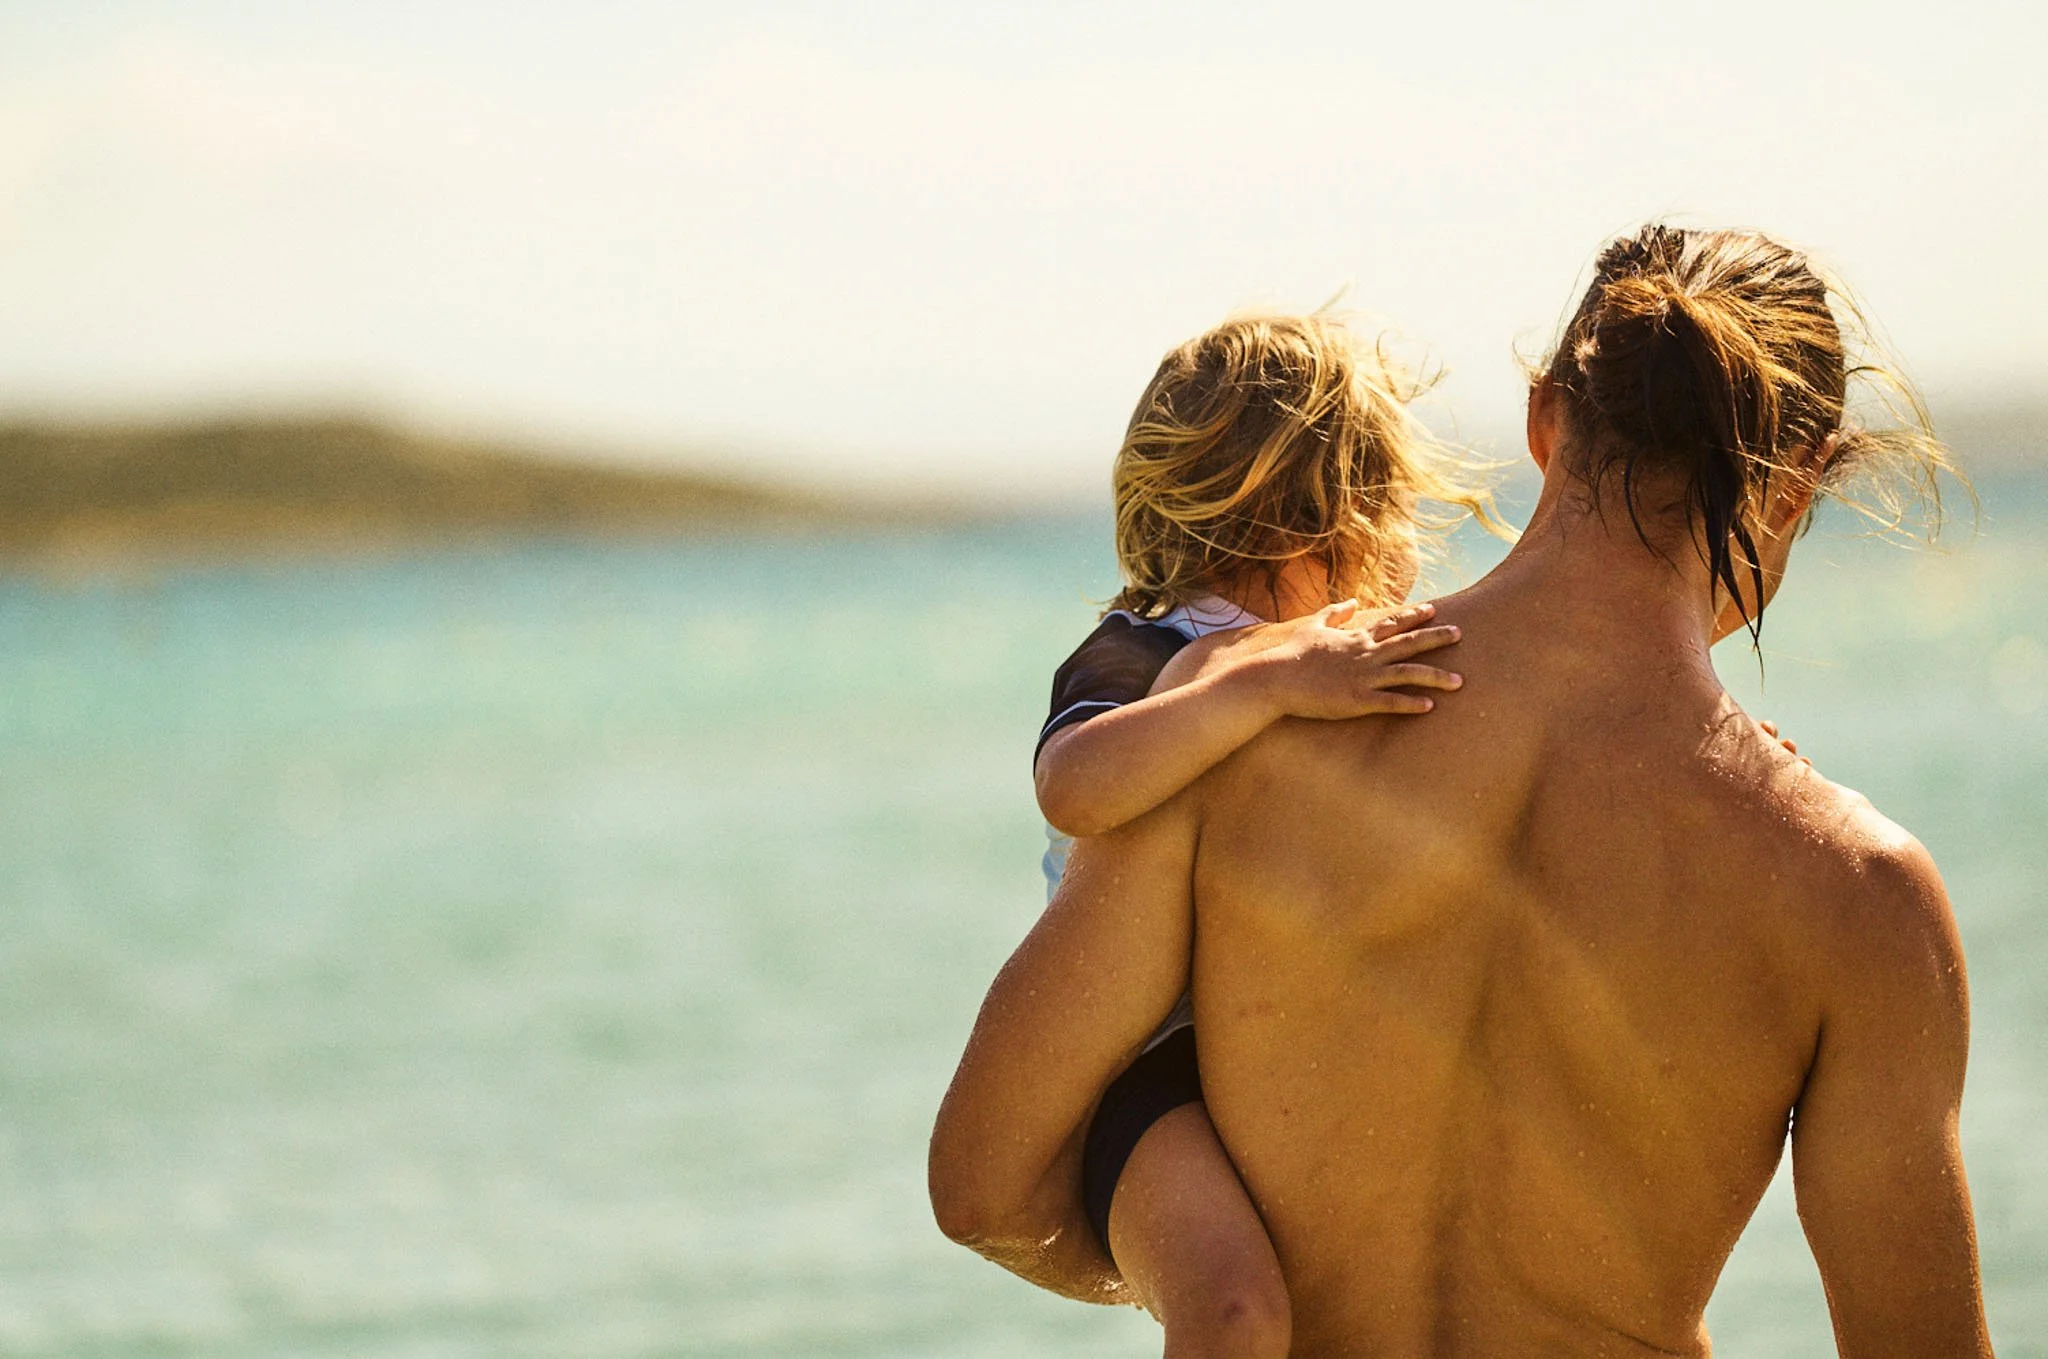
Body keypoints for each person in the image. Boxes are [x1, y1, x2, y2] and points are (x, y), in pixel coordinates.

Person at [930, 224, 1993, 1356]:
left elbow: (984, 1188)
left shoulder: (1235, 716)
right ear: (1796, 483)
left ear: (1543, 420)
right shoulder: (1855, 891)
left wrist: (1211, 1272)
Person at [1025, 311, 1503, 1358]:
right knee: (1233, 1310)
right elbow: (1073, 787)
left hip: (1301, 1048)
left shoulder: (1351, 649)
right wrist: (1261, 687)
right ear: (1339, 508)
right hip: (1149, 1073)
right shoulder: (1143, 646)